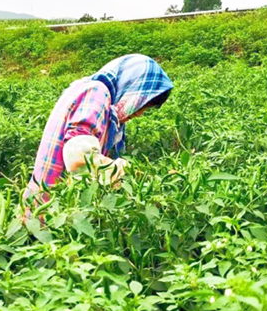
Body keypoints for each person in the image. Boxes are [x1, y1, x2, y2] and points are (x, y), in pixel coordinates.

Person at [24, 54, 174, 204]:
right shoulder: (96, 92)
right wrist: (132, 175)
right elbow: (79, 157)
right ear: (132, 85)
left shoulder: (96, 96)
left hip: (50, 204)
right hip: (52, 210)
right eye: (141, 102)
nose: (140, 112)